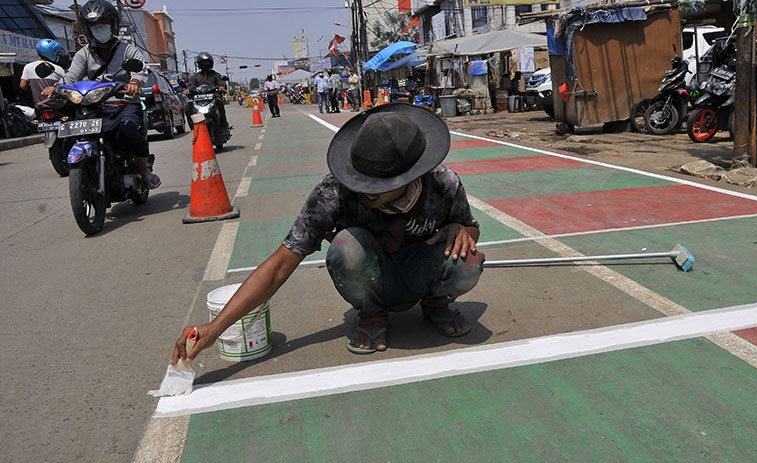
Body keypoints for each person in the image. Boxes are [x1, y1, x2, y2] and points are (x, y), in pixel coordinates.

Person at [172, 103, 484, 361]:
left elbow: (472, 228)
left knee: (468, 260)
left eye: (376, 190)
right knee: (346, 245)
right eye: (362, 183)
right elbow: (281, 263)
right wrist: (215, 328)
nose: (365, 193)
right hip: (375, 277)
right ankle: (373, 314)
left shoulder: (443, 184)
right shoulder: (334, 192)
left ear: (408, 177)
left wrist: (461, 230)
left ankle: (435, 304)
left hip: (421, 272)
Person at [41, 0, 159, 189]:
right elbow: (72, 76)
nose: (99, 30)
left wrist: (135, 82)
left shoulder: (127, 48)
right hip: (94, 105)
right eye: (95, 27)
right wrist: (55, 87)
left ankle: (145, 171)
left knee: (129, 132)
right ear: (88, 29)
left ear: (112, 25)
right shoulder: (83, 54)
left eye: (103, 25)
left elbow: (140, 69)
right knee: (71, 134)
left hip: (123, 103)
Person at [187, 52, 230, 137]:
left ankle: (223, 125)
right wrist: (188, 91)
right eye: (203, 62)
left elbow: (221, 82)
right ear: (199, 64)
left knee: (220, 103)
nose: (205, 64)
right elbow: (190, 86)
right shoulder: (195, 77)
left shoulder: (215, 75)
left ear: (211, 63)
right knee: (187, 107)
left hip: (213, 98)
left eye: (207, 62)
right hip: (199, 100)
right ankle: (193, 127)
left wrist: (221, 86)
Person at [20, 39, 67, 106]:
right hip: (57, 105)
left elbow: (23, 85)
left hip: (39, 106)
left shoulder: (28, 66)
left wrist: (34, 91)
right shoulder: (58, 69)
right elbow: (65, 85)